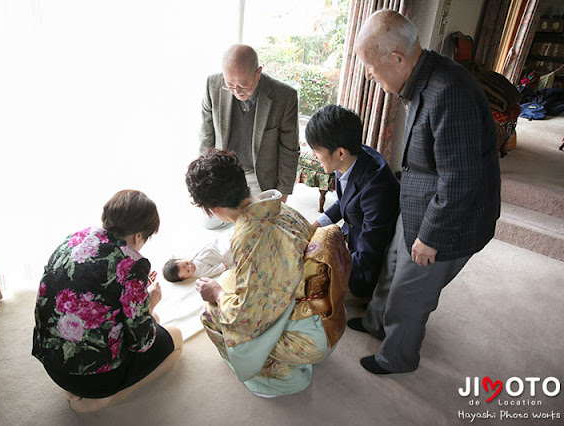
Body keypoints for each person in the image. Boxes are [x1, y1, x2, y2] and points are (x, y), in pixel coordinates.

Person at [348, 9, 501, 375]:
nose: (369, 75)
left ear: (397, 58)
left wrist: (430, 237)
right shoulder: (423, 75)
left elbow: (461, 179)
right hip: (420, 201)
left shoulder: (450, 92)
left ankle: (397, 357)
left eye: (371, 67)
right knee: (392, 266)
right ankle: (375, 323)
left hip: (449, 220)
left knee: (411, 292)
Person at [185, 149, 350, 397]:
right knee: (229, 277)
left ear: (214, 209)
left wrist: (217, 295)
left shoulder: (249, 237)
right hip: (328, 312)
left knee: (211, 314)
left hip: (312, 338)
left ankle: (281, 376)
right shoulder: (279, 207)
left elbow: (246, 317)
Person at [32, 190, 183, 412]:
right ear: (138, 236)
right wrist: (149, 304)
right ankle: (106, 398)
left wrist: (139, 299)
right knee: (176, 338)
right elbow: (141, 342)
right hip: (94, 378)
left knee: (153, 320)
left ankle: (77, 388)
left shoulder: (75, 238)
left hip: (52, 363)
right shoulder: (132, 264)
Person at [306, 105, 400, 299]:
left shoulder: (377, 190)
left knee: (308, 287)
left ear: (340, 153)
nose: (313, 156)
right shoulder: (353, 156)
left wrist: (326, 270)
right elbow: (345, 201)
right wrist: (314, 226)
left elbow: (369, 254)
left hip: (366, 264)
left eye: (316, 150)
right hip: (354, 236)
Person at [199, 44, 300, 207]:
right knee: (211, 222)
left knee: (256, 222)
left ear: (258, 73)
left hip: (258, 174)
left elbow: (289, 149)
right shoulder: (212, 84)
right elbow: (206, 135)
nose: (237, 91)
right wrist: (204, 176)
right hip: (224, 169)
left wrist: (283, 193)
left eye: (243, 84)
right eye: (230, 84)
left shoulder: (285, 97)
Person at [162, 238, 233, 282]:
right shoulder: (199, 271)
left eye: (186, 263)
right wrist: (222, 267)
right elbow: (211, 271)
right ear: (186, 278)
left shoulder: (185, 257)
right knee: (229, 248)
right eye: (188, 271)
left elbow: (174, 257)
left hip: (215, 245)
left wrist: (166, 268)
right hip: (221, 255)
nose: (190, 266)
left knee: (225, 239)